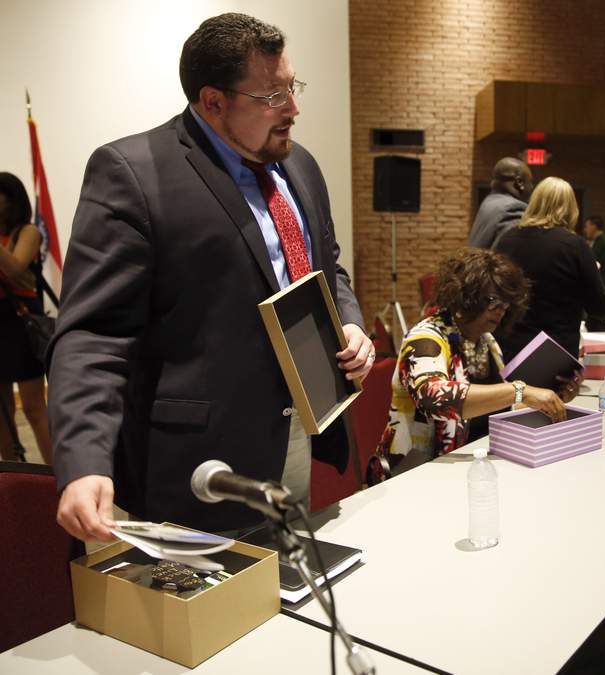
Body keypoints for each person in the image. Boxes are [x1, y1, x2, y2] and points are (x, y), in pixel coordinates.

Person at [49, 13, 375, 541]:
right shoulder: (133, 174)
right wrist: (84, 459)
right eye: (272, 96)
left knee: (290, 594)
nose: (294, 108)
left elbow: (325, 264)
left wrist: (351, 322)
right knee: (220, 616)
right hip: (202, 463)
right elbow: (94, 334)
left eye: (292, 86)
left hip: (302, 431)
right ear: (213, 101)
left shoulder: (301, 165)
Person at [371, 248, 571, 480]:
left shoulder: (487, 341)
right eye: (494, 301)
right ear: (467, 297)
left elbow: (498, 407)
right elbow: (434, 398)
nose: (501, 310)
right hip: (419, 472)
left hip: (475, 465)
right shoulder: (425, 337)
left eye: (506, 304)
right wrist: (520, 391)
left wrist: (552, 400)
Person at [494, 177, 605, 359]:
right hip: (555, 351)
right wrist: (593, 273)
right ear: (571, 209)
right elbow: (599, 306)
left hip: (510, 346)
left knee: (514, 388)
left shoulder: (507, 240)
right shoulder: (575, 246)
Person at [0, 172, 53, 464]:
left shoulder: (28, 232)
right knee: (4, 413)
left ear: (10, 198)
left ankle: (57, 478)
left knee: (33, 407)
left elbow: (15, 267)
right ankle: (12, 477)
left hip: (21, 324)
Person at [467, 157, 533, 249]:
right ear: (519, 182)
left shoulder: (489, 202)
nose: (531, 187)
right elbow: (511, 254)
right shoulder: (513, 209)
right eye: (530, 182)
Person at [582, 216, 605, 331]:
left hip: (602, 293)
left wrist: (603, 293)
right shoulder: (595, 243)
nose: (585, 230)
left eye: (587, 226)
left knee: (598, 327)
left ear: (594, 226)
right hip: (595, 293)